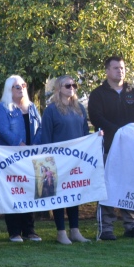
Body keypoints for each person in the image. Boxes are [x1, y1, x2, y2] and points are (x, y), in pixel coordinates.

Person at [88, 56, 134, 239]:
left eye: (122, 68)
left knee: (130, 185)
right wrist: (118, 131)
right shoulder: (98, 94)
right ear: (107, 71)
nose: (120, 71)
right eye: (116, 68)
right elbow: (96, 117)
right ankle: (106, 228)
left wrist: (130, 131)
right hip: (108, 146)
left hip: (131, 149)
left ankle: (132, 226)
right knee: (108, 185)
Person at [40, 76, 95, 244]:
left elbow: (85, 132)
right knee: (58, 195)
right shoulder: (51, 110)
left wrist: (94, 140)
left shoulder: (79, 108)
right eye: (68, 85)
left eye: (74, 85)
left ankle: (75, 230)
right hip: (57, 160)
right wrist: (47, 160)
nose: (72, 88)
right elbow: (46, 136)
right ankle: (61, 232)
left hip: (76, 160)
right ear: (58, 88)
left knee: (73, 193)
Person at [0, 75, 42, 242]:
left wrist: (34, 145)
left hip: (30, 157)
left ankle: (29, 230)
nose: (21, 88)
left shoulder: (32, 107)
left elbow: (40, 128)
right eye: (16, 86)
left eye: (23, 85)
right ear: (9, 90)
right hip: (11, 157)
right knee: (14, 192)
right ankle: (14, 231)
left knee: (30, 192)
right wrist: (19, 144)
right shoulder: (3, 107)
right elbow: (3, 129)